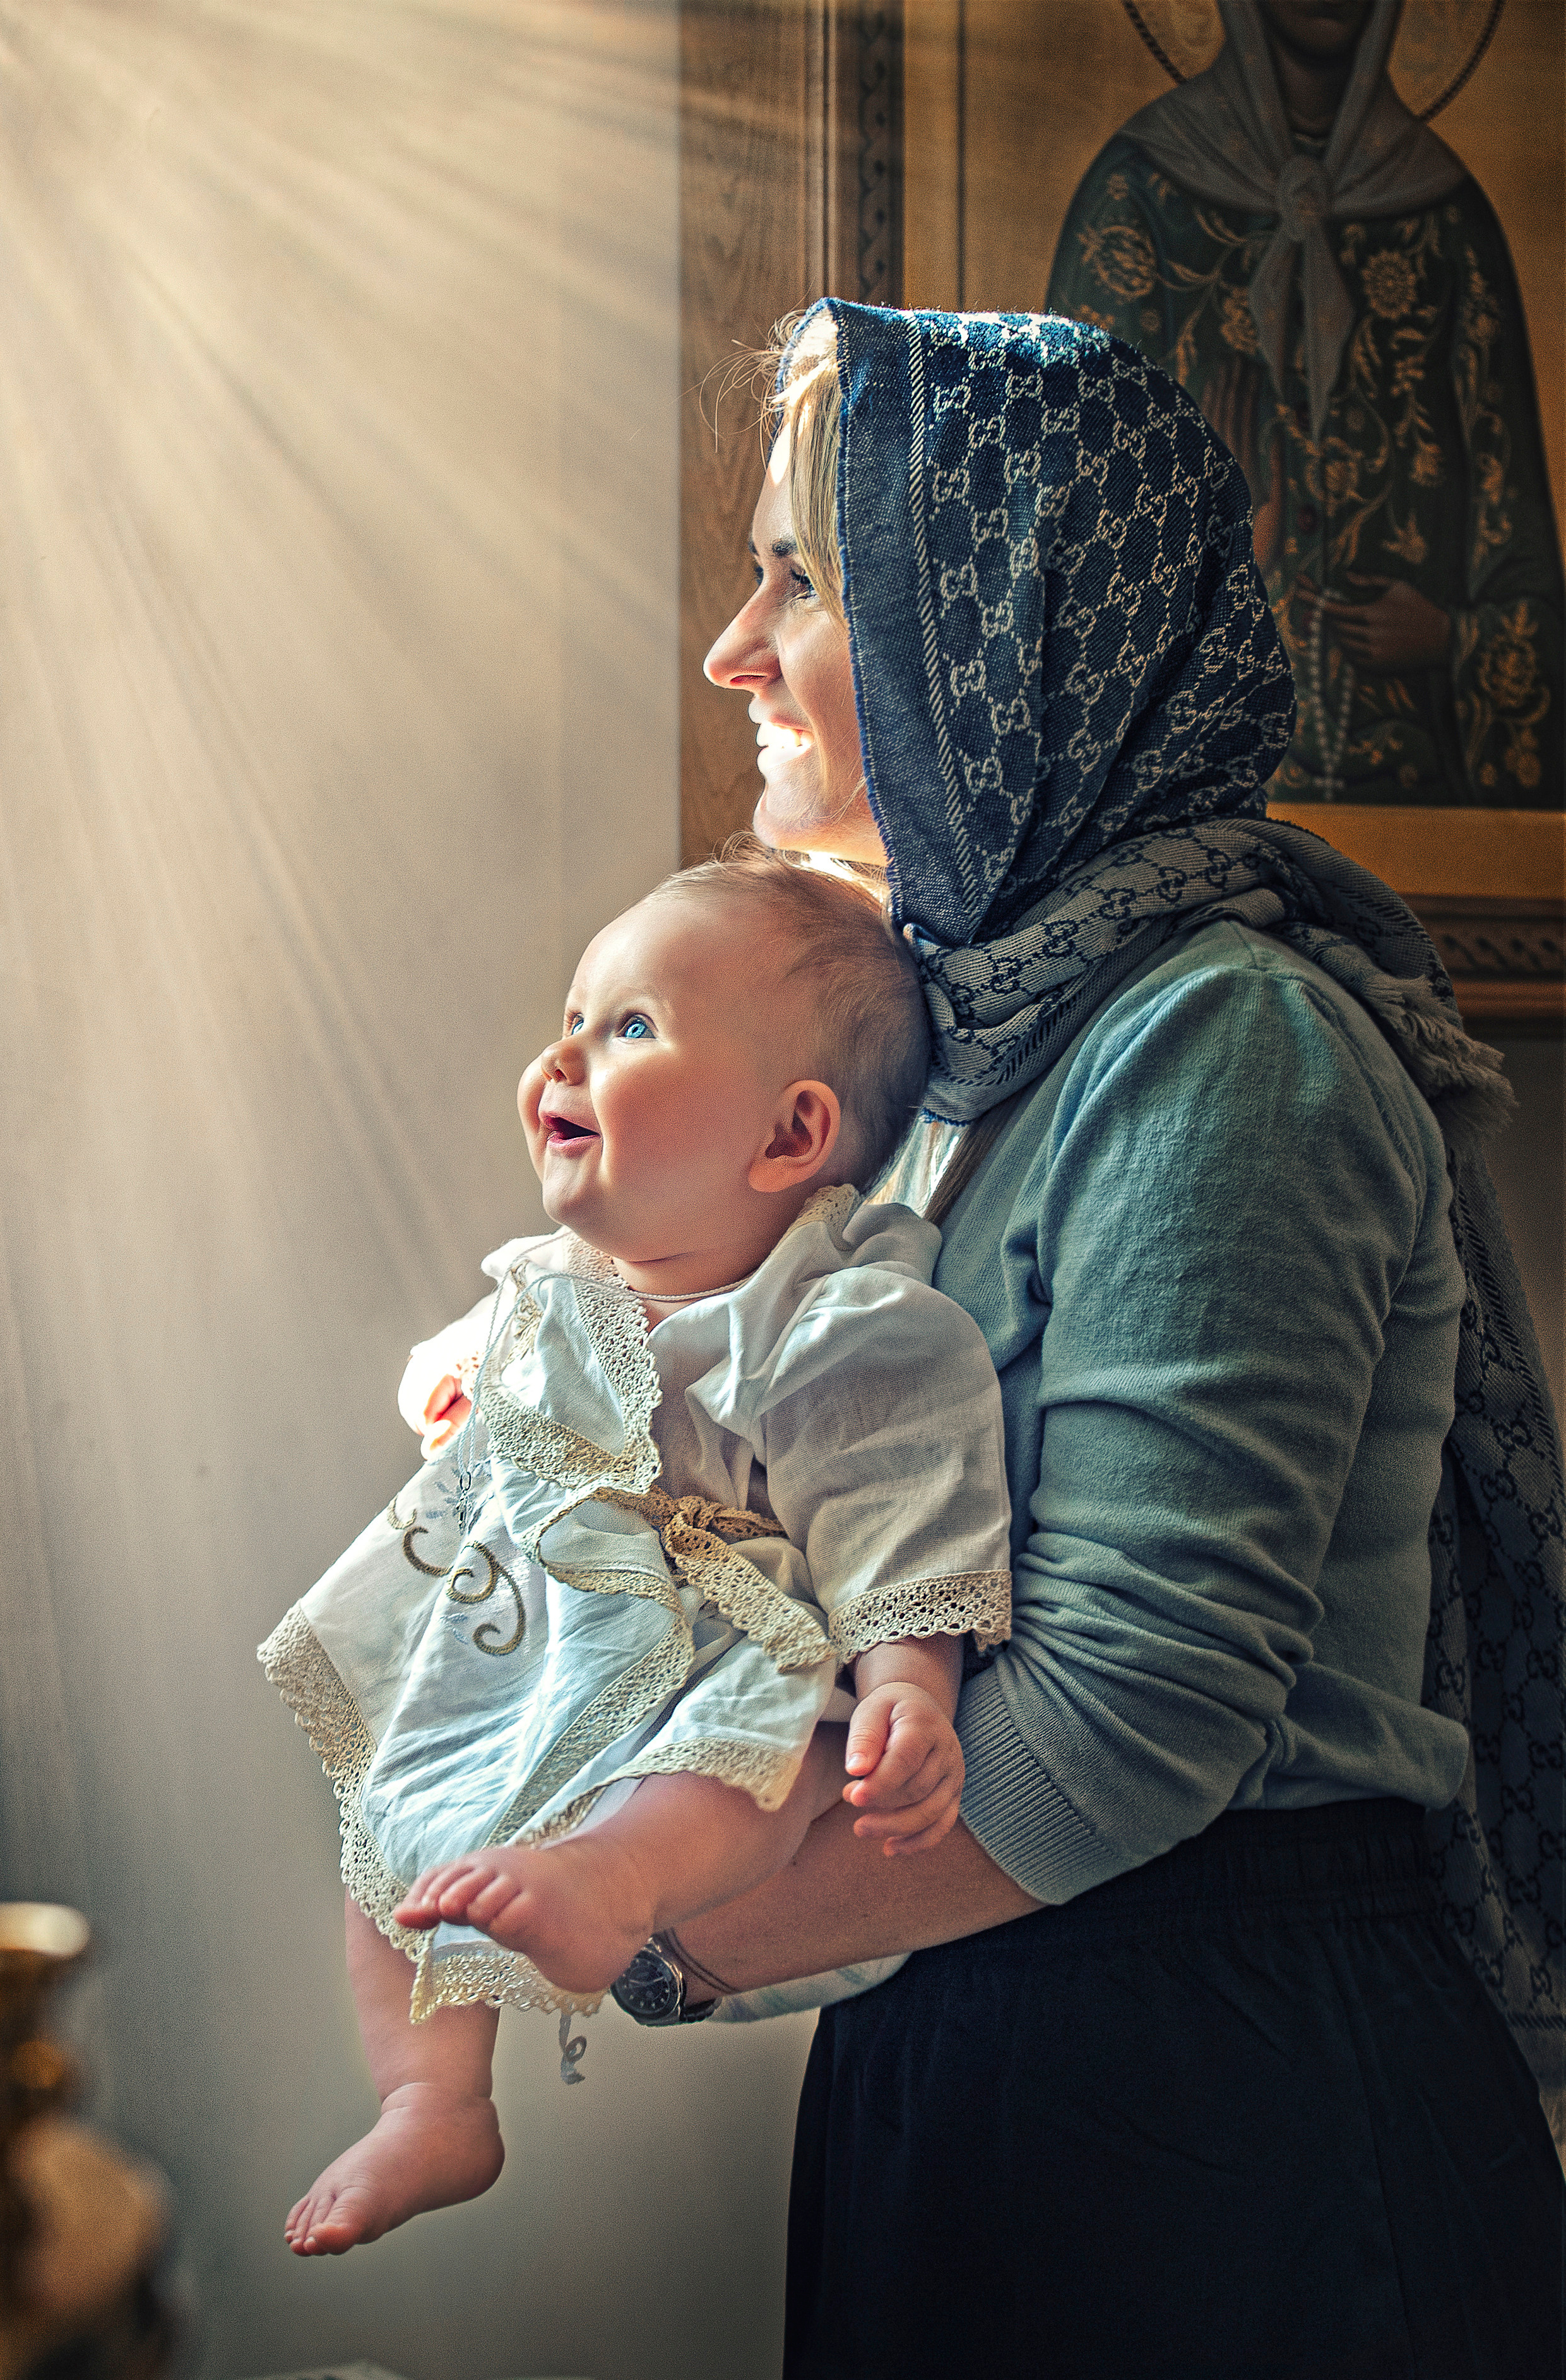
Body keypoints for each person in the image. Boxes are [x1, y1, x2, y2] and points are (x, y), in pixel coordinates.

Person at [667, 302, 1565, 2377]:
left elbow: (1132, 1710)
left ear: (992, 615)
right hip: (993, 2047)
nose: (735, 646)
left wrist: (658, 1926)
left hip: (1216, 2107)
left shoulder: (1217, 1037)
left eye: (796, 574)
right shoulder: (955, 1058)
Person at [259, 848, 1012, 2256]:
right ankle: (435, 2097)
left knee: (749, 1759)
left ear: (789, 1138)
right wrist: (452, 1392)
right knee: (393, 1827)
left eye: (630, 1026)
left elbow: (907, 1505)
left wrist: (912, 1681)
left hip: (718, 1651)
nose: (562, 1053)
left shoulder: (841, 1324)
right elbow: (475, 1355)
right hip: (529, 1644)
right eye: (572, 1014)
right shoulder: (557, 1282)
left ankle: (616, 1879)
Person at [1045, 0, 1564, 805]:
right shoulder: (1140, 197)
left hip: (1422, 786)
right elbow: (1072, 575)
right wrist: (1229, 542)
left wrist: (1454, 639)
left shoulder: (1450, 222)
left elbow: (1517, 543)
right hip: (1196, 809)